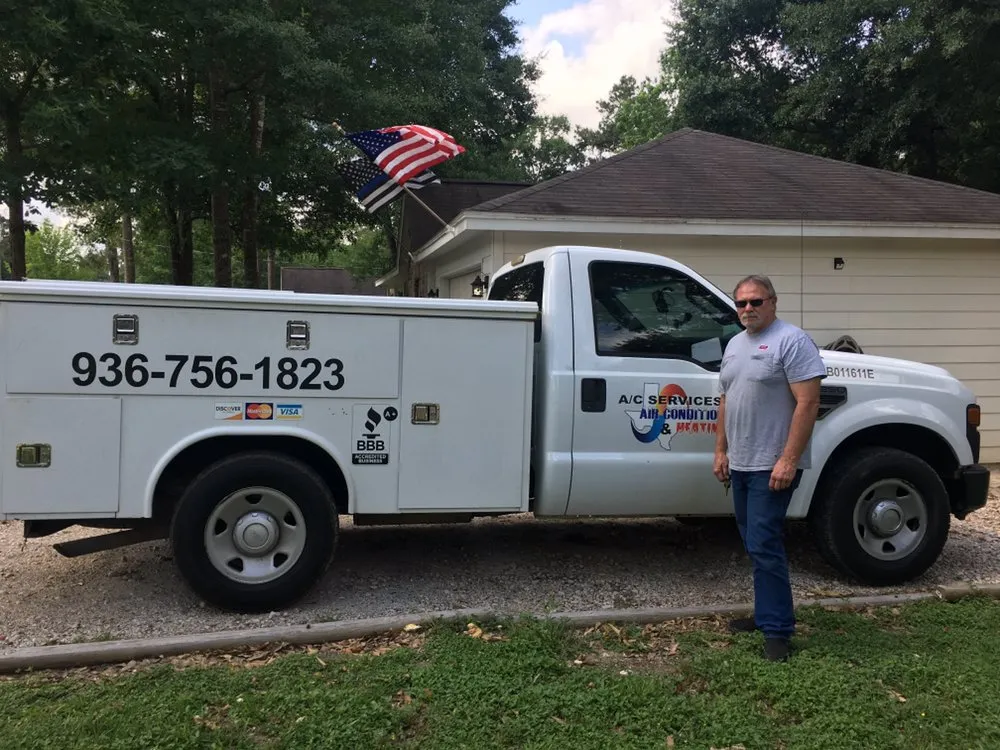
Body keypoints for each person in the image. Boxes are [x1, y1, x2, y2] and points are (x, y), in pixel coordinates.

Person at [713, 274, 826, 662]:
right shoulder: (733, 345)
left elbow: (808, 403)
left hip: (772, 464)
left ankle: (778, 630)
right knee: (753, 543)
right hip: (741, 462)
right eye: (742, 303)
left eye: (756, 302)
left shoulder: (792, 341)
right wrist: (720, 452)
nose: (748, 309)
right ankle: (765, 616)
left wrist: (789, 459)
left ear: (773, 302)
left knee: (764, 543)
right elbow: (726, 400)